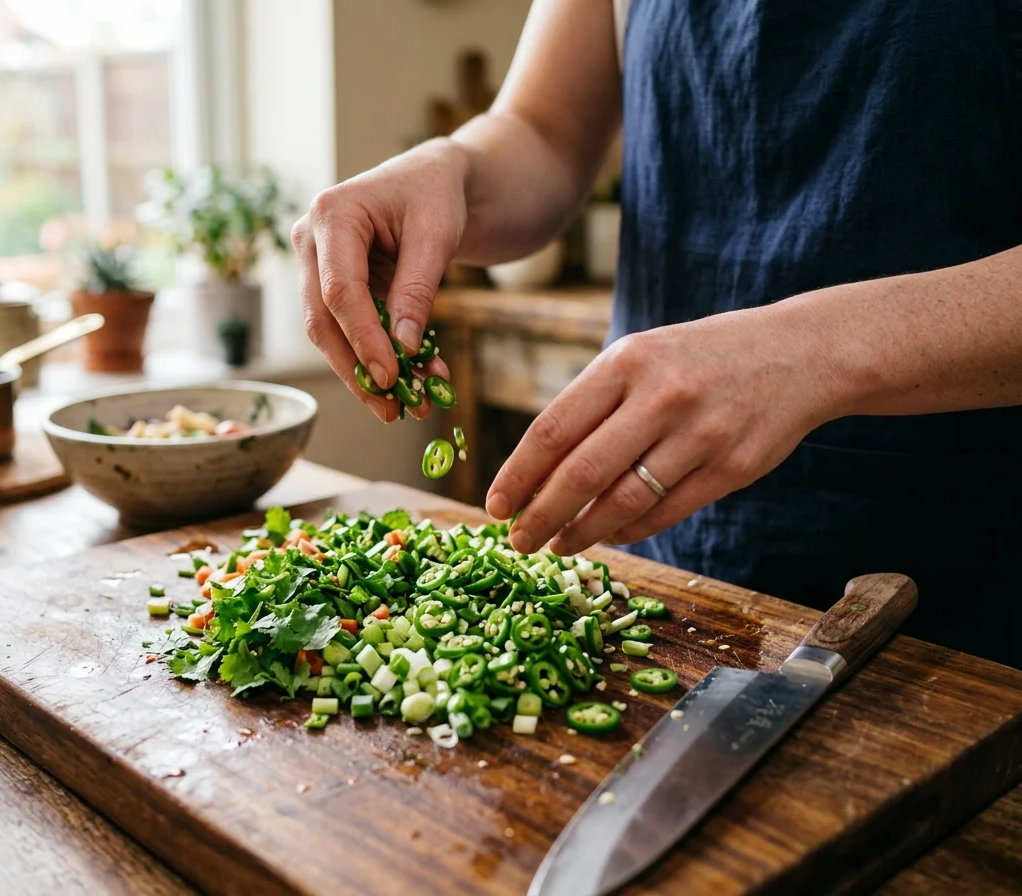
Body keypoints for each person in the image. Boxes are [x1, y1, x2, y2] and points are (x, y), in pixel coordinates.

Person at [291, 0, 1022, 669]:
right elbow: (541, 132)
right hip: (665, 558)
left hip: (976, 576)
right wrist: (450, 166)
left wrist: (810, 351)